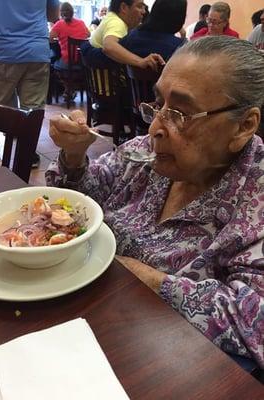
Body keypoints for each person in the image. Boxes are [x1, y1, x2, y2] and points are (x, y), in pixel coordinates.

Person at [46, 36, 264, 369]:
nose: (155, 128)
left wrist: (134, 274)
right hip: (76, 328)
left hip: (166, 368)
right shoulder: (146, 154)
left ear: (244, 125)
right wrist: (75, 157)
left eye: (181, 113)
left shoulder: (254, 198)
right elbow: (77, 204)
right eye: (158, 104)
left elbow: (255, 319)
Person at [0, 0, 59, 168]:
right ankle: (28, 154)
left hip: (2, 48)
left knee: (1, 106)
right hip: (36, 50)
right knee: (33, 108)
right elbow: (53, 15)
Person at [82, 0, 164, 70]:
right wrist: (141, 62)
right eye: (139, 7)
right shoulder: (117, 23)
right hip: (109, 86)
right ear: (124, 8)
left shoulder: (111, 18)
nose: (144, 11)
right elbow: (109, 47)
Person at [120, 0, 187, 62]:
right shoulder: (181, 48)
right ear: (180, 18)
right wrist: (183, 37)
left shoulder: (131, 36)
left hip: (131, 75)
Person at [50, 2, 89, 71]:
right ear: (72, 12)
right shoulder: (81, 23)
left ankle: (63, 81)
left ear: (60, 13)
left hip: (67, 62)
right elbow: (88, 35)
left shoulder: (59, 24)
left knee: (53, 62)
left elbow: (49, 38)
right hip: (82, 62)